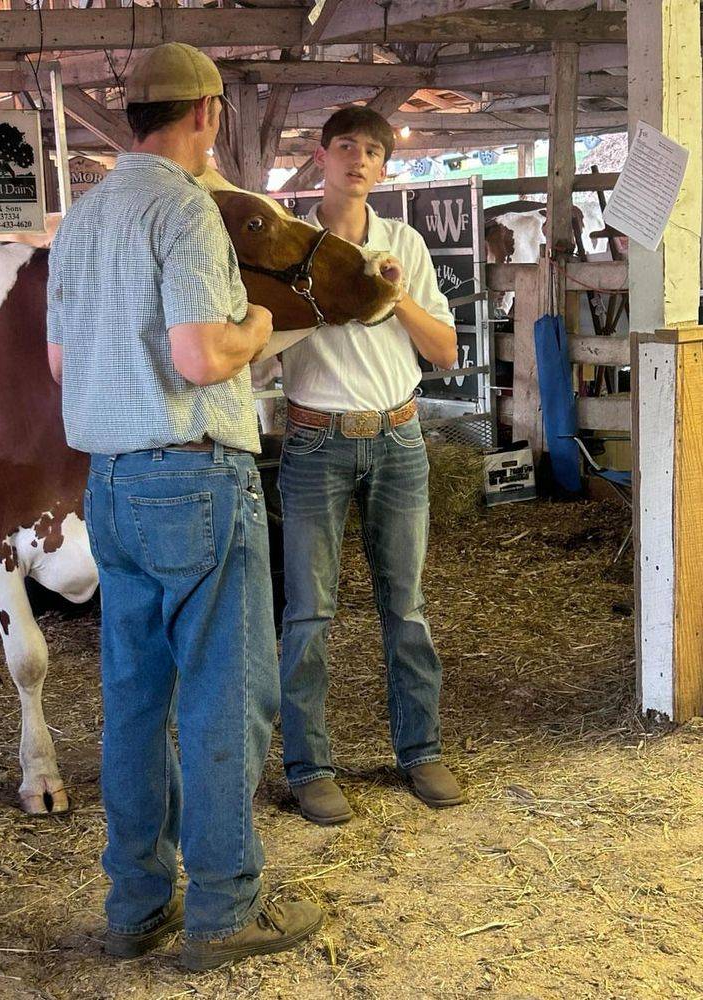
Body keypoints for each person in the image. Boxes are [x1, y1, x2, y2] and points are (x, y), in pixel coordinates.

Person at [46, 42, 322, 970]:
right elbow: (202, 356)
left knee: (131, 701)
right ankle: (223, 910)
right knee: (224, 697)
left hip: (111, 486)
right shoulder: (186, 209)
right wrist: (257, 325)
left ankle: (135, 904)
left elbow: (58, 366)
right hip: (193, 477)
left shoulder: (81, 220)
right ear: (208, 111)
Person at [278, 106, 466, 826]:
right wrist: (329, 297)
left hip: (399, 437)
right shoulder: (295, 245)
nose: (359, 160)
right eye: (346, 147)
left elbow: (444, 351)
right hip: (316, 439)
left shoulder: (404, 244)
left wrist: (394, 297)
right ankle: (309, 767)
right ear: (319, 157)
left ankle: (421, 751)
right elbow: (267, 336)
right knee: (310, 612)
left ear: (386, 168)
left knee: (407, 607)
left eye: (373, 151)